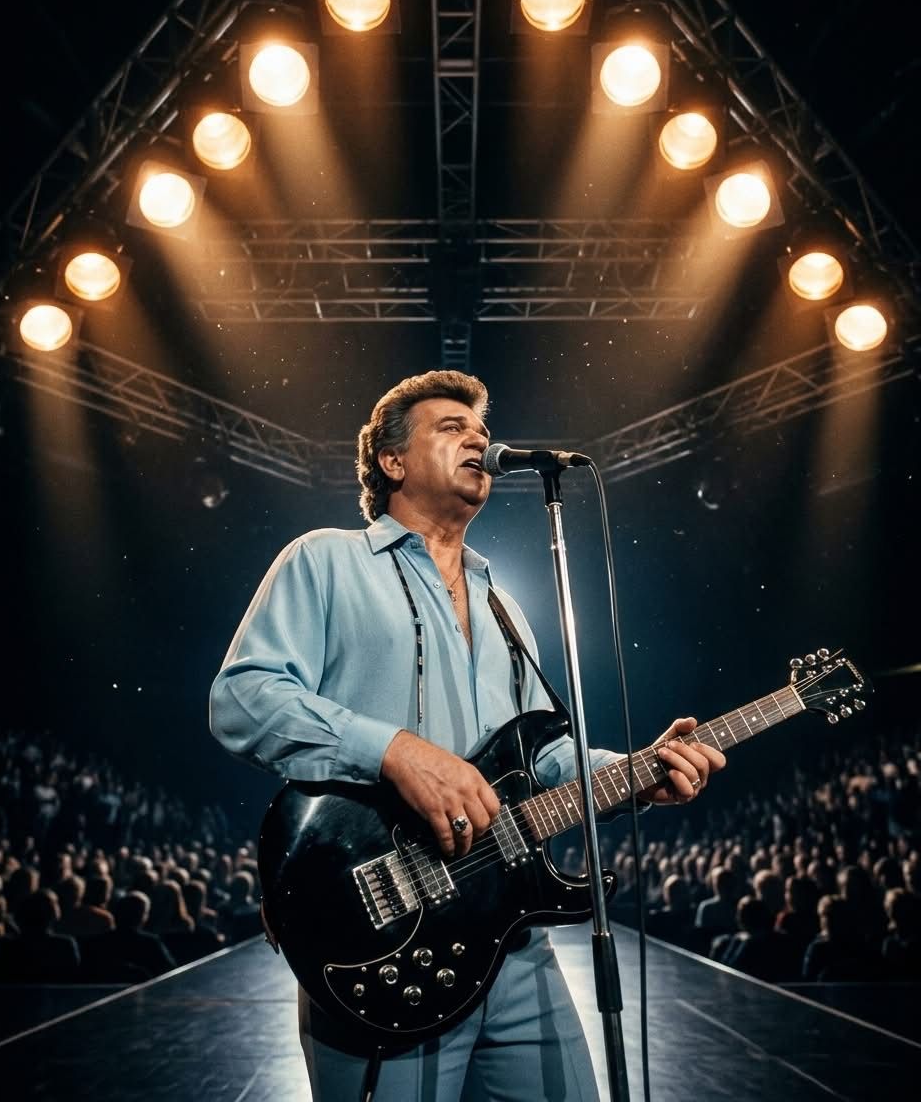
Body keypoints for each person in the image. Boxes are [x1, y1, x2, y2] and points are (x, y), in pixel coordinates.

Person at [209, 369, 726, 1102]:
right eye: (451, 428)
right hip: (385, 933)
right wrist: (393, 750)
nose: (478, 439)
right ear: (392, 460)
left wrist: (637, 772)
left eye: (481, 430)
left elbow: (544, 759)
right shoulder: (325, 559)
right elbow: (242, 699)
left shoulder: (503, 605)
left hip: (513, 940)